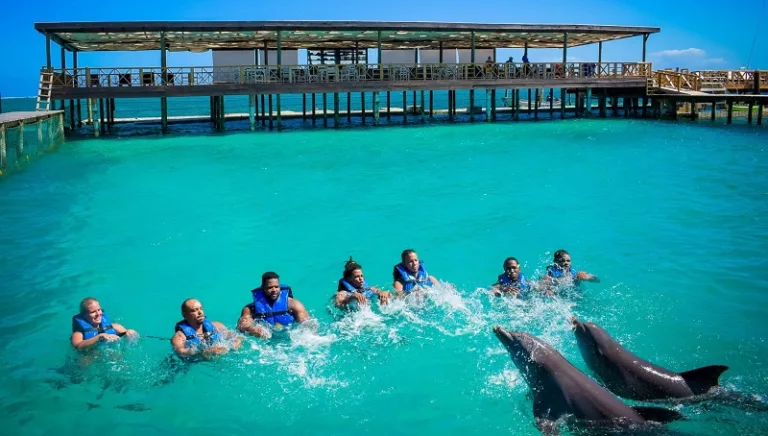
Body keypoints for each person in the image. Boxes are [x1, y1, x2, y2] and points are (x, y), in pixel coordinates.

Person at [237, 271, 311, 338]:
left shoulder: (293, 304)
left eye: (276, 287)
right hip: (265, 342)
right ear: (263, 288)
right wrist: (253, 330)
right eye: (270, 288)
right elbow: (242, 326)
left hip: (289, 337)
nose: (274, 290)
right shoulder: (250, 309)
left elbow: (307, 323)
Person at [171, 298, 241, 359]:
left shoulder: (217, 326)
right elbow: (181, 352)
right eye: (194, 310)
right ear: (184, 314)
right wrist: (202, 353)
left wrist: (236, 341)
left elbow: (235, 335)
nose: (200, 312)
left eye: (201, 309)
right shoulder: (179, 337)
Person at [71, 297, 138, 351]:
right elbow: (78, 346)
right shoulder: (79, 333)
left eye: (99, 310)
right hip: (89, 359)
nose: (98, 314)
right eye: (93, 312)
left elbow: (127, 337)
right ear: (84, 315)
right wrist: (99, 337)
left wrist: (131, 333)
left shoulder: (115, 326)